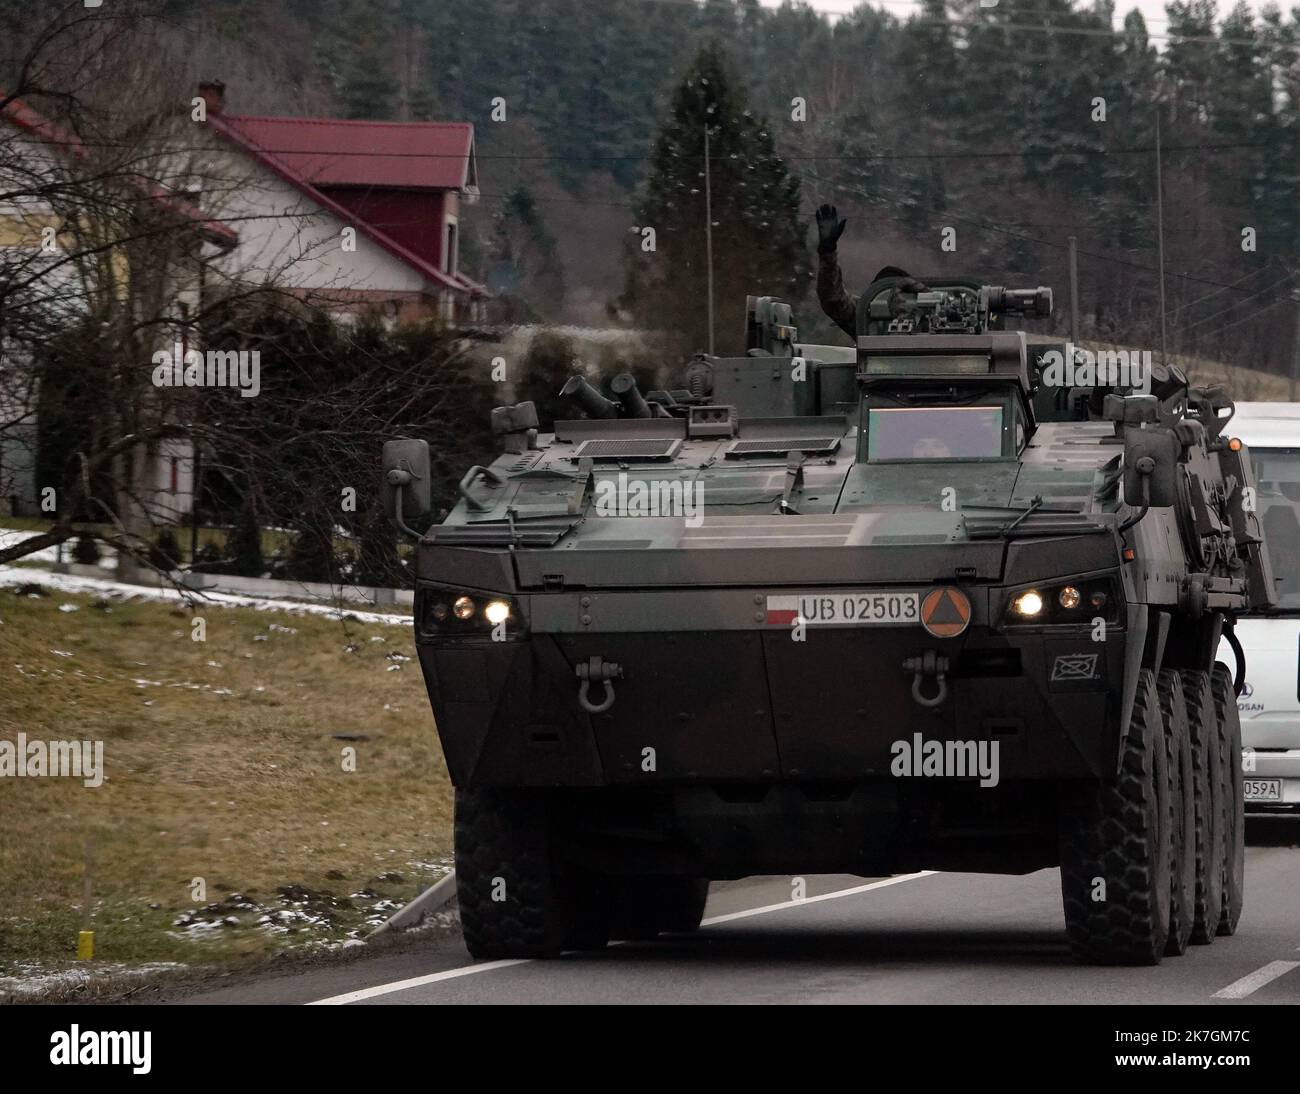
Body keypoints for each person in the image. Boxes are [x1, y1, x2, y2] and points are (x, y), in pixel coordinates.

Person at [815, 203, 926, 340]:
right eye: (885, 296)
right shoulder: (866, 317)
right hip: (873, 362)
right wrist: (827, 251)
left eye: (898, 296)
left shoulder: (928, 317)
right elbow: (832, 298)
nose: (895, 302)